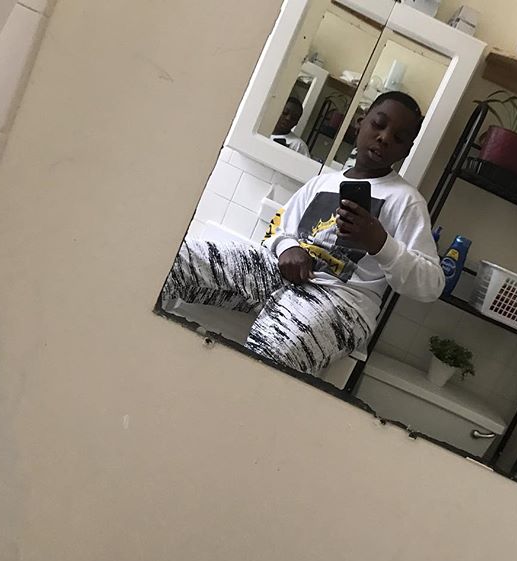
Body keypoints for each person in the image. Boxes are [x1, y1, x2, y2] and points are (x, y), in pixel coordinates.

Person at [162, 91, 444, 376]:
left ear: (406, 150)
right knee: (179, 260)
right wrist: (288, 247)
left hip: (343, 302)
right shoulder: (322, 183)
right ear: (360, 122)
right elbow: (278, 227)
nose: (384, 138)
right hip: (283, 276)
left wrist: (380, 243)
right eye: (378, 125)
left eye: (398, 138)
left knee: (271, 352)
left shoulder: (406, 201)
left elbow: (431, 285)